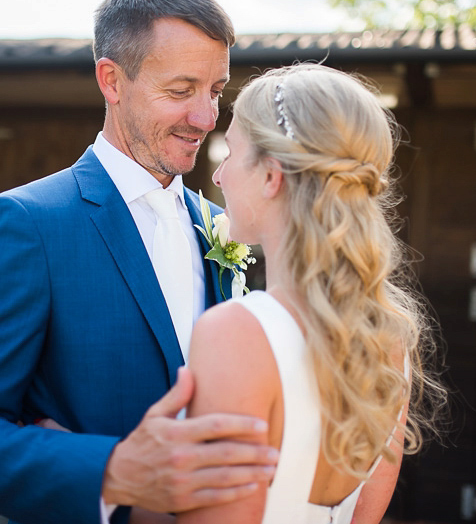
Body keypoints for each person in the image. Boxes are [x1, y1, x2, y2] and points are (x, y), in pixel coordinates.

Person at [0, 0, 278, 524]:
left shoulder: (220, 225)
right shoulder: (26, 224)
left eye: (215, 91)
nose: (206, 118)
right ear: (112, 80)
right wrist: (112, 469)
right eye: (181, 91)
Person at [177, 64, 447, 524]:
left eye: (230, 151)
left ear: (271, 176)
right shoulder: (389, 332)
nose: (218, 176)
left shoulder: (237, 333)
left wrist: (119, 483)